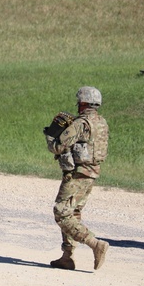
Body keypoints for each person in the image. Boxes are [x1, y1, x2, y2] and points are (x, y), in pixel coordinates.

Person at [45, 86, 111, 271]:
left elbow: (57, 147)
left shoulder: (81, 123)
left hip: (77, 175)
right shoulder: (101, 122)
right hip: (91, 174)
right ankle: (67, 257)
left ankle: (95, 244)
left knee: (62, 212)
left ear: (82, 103)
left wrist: (51, 135)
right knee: (73, 213)